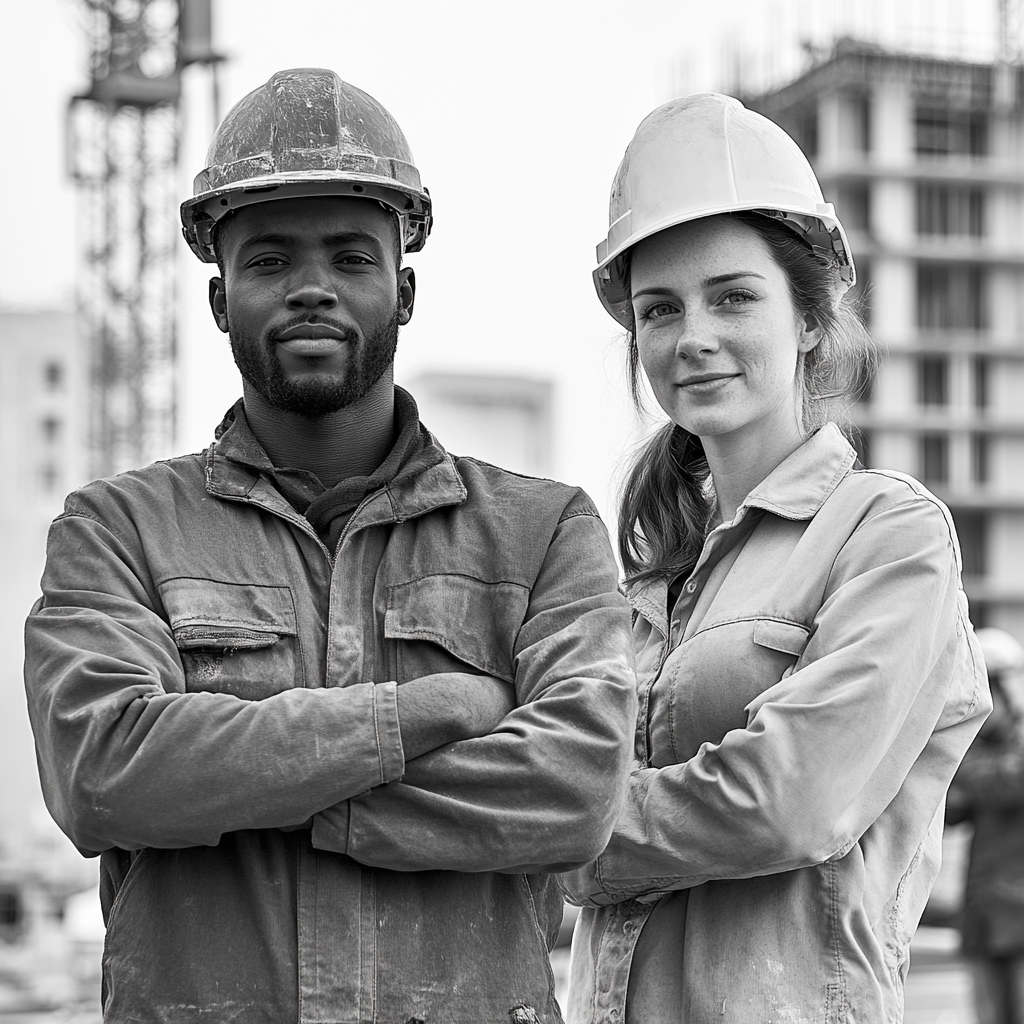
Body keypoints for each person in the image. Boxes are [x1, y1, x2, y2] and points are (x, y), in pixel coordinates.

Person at [24, 68, 637, 1024]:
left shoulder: (540, 532)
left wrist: (247, 794)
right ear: (221, 299)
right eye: (269, 261)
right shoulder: (118, 531)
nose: (312, 288)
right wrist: (418, 715)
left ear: (405, 288)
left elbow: (576, 791)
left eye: (350, 257)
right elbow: (103, 773)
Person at [559, 92, 991, 1023]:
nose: (694, 336)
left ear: (809, 316)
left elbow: (793, 802)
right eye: (660, 310)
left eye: (733, 297)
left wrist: (552, 834)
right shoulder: (634, 582)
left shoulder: (888, 537)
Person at [947, 627, 1024, 1024]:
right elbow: (948, 811)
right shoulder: (979, 750)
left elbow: (1005, 783)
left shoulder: (1016, 745)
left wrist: (955, 767)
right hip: (984, 917)